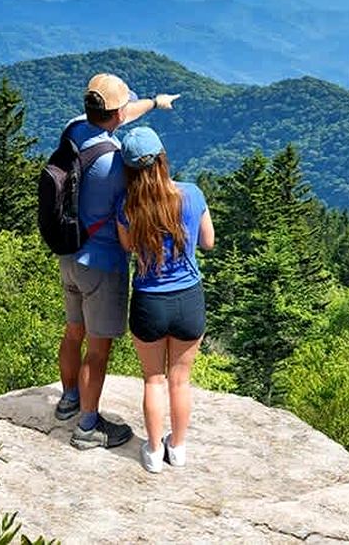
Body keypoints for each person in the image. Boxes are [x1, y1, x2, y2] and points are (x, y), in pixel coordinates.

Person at [56, 73, 179, 451]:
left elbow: (121, 115)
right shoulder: (116, 163)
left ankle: (69, 399)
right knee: (98, 350)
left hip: (70, 253)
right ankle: (87, 427)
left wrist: (155, 103)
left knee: (73, 331)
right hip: (103, 262)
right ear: (117, 112)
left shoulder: (75, 129)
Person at [114, 127, 214, 473]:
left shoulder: (127, 205)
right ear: (162, 159)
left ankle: (154, 452)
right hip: (188, 299)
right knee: (180, 380)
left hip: (148, 302)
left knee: (153, 379)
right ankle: (179, 447)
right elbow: (208, 241)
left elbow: (127, 246)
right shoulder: (192, 194)